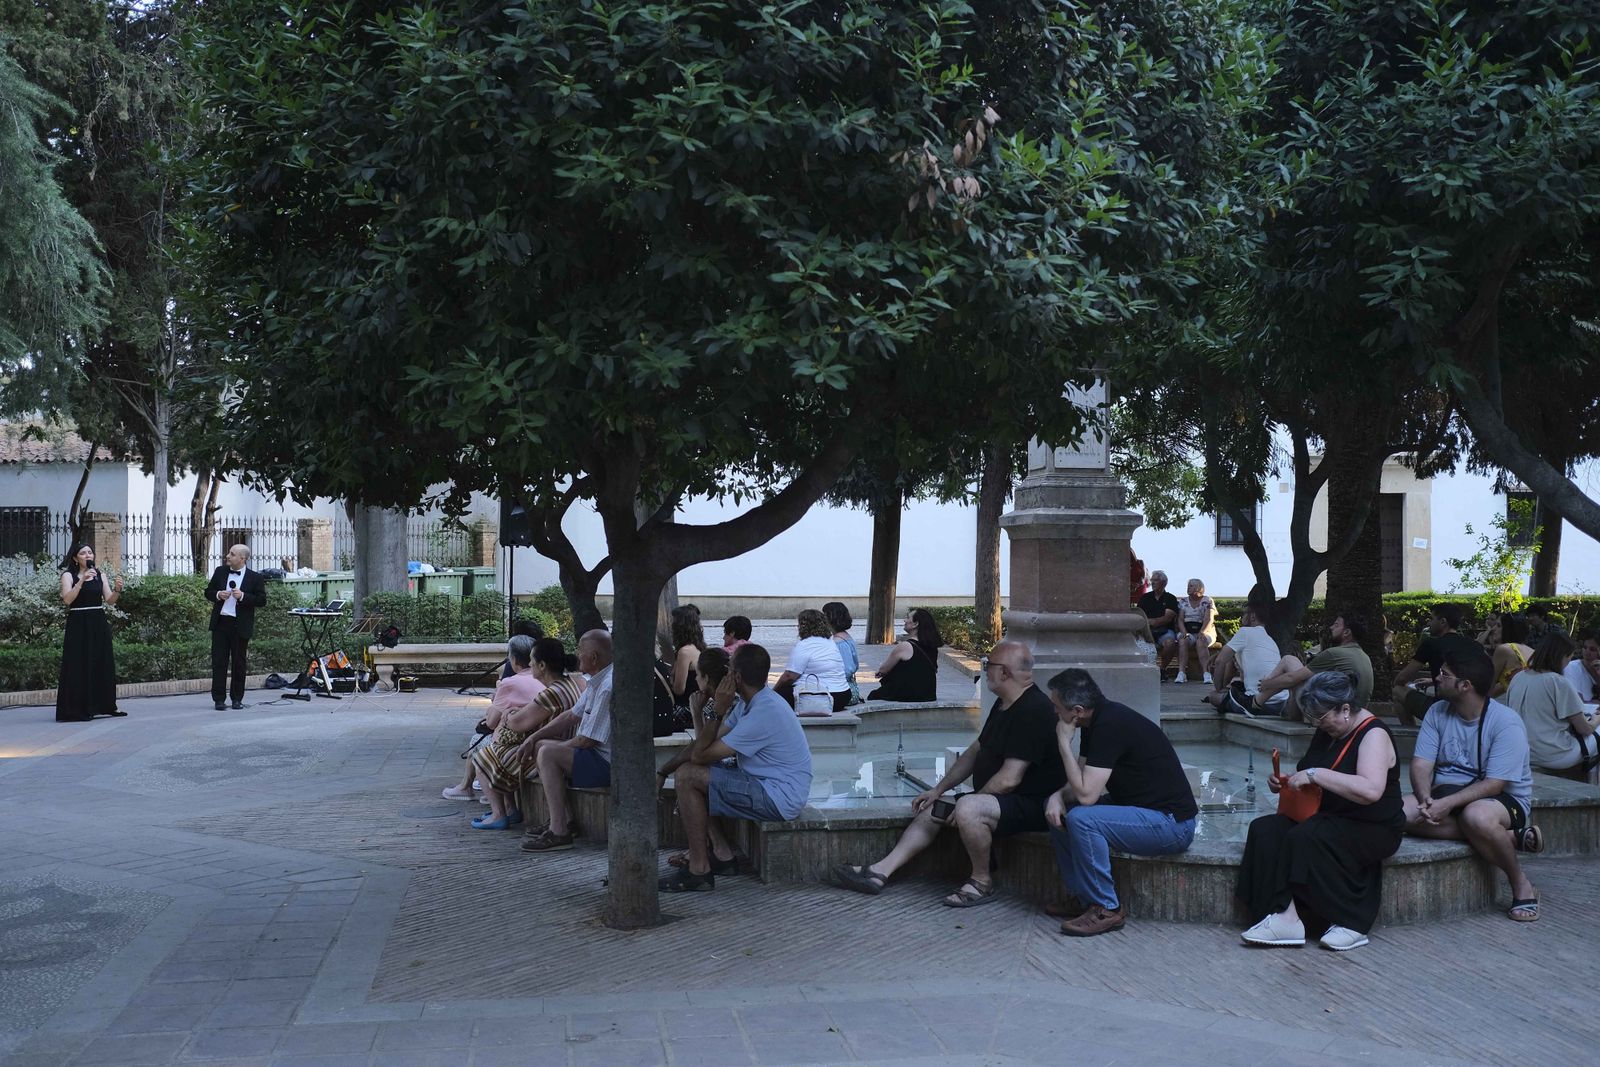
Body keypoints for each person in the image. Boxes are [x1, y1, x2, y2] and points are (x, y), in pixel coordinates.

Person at [831, 640, 1065, 907]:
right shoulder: (1005, 704)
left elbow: (1010, 779)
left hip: (1033, 805)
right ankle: (879, 872)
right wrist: (937, 790)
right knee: (933, 808)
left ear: (1005, 673)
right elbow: (975, 751)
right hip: (1001, 800)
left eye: (989, 664)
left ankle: (982, 881)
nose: (984, 669)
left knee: (968, 809)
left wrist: (969, 802)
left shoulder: (1033, 711)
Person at [1236, 672, 1403, 951]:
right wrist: (1288, 781)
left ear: (1345, 709)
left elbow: (1370, 790)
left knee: (1306, 837)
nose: (1318, 725)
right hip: (1330, 814)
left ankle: (1349, 921)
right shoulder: (1329, 730)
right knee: (1266, 830)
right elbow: (1310, 771)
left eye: (1322, 719)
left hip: (1372, 823)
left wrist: (1316, 775)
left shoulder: (1374, 734)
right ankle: (1280, 914)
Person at [1043, 668, 1197, 936]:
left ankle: (1106, 908)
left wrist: (1063, 743)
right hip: (1141, 810)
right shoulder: (1096, 721)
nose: (1055, 713)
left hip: (1171, 823)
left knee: (1082, 818)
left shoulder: (1110, 725)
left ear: (1077, 710)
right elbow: (1079, 782)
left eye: (1057, 707)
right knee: (1064, 811)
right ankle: (1084, 897)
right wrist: (1056, 796)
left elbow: (1087, 795)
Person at [660, 643, 813, 892]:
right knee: (693, 774)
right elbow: (705, 746)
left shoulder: (763, 713)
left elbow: (700, 755)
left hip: (777, 797)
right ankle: (722, 855)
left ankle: (698, 870)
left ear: (737, 677)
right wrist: (663, 770)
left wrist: (717, 711)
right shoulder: (749, 703)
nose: (726, 674)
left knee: (688, 776)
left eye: (730, 670)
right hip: (766, 786)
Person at [1404, 648, 1543, 922]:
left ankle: (1520, 883)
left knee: (1476, 816)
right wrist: (1425, 800)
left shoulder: (1505, 722)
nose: (1436, 678)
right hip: (1445, 793)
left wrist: (1445, 804)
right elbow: (1421, 765)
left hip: (1502, 799)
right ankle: (1507, 838)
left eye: (1445, 674)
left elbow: (1494, 784)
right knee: (1397, 813)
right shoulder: (1437, 711)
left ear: (1465, 685)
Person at [444, 637, 583, 804]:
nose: (530, 665)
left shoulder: (551, 692)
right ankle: (506, 807)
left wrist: (508, 714)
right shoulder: (570, 683)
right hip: (554, 745)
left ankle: (498, 813)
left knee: (482, 755)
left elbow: (514, 723)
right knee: (496, 750)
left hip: (545, 752)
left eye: (533, 661)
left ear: (542, 665)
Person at [522, 630, 614, 852]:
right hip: (597, 756)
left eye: (580, 651)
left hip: (608, 763)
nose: (576, 656)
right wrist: (535, 737)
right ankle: (564, 821)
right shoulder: (597, 680)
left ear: (593, 657)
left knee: (547, 753)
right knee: (542, 746)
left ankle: (559, 832)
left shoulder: (608, 686)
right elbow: (572, 715)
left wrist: (552, 749)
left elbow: (586, 741)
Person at [657, 648, 744, 873]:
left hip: (735, 766)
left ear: (706, 678)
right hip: (719, 759)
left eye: (698, 675)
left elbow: (702, 749)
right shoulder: (711, 703)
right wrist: (697, 714)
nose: (695, 680)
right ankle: (717, 848)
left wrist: (663, 770)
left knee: (689, 773)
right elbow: (703, 744)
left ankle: (708, 852)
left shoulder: (731, 704)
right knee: (692, 769)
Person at [1507, 632, 1596, 780]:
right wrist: (1596, 719)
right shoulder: (1558, 682)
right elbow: (1584, 729)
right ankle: (1594, 787)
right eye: (1569, 657)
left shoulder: (1518, 677)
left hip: (1521, 752)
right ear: (1562, 656)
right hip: (1554, 755)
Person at [1251, 612, 1376, 716]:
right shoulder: (1364, 657)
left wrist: (1267, 683)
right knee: (1292, 665)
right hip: (1352, 716)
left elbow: (1292, 678)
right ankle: (1260, 702)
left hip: (1329, 716)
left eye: (1336, 625)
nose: (1331, 627)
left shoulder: (1334, 653)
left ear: (1346, 632)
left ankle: (1255, 702)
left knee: (1289, 663)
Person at [56, 544, 125, 722]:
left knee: (101, 661)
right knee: (79, 663)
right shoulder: (68, 575)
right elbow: (67, 599)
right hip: (78, 623)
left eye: (90, 552)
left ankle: (104, 705)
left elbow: (110, 600)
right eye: (83, 553)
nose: (88, 555)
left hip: (98, 621)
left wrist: (117, 590)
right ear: (75, 558)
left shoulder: (100, 574)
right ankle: (78, 708)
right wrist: (81, 581)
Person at [1389, 603, 1478, 726]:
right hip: (1469, 710)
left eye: (1432, 619)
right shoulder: (1473, 645)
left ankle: (1411, 733)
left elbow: (1403, 678)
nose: (1429, 623)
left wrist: (1398, 682)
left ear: (1442, 622)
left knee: (1397, 691)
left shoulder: (1431, 644)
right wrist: (1433, 680)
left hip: (1441, 710)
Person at [204, 544, 268, 711]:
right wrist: (218, 594)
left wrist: (243, 596)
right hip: (221, 623)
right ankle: (219, 699)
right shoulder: (220, 571)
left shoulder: (255, 578)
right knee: (219, 662)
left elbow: (261, 600)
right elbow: (208, 592)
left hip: (240, 625)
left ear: (242, 558)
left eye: (232, 554)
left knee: (239, 663)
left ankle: (237, 699)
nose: (227, 556)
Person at [1204, 603, 1290, 718]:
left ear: (1252, 616)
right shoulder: (1270, 640)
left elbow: (1220, 661)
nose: (1241, 617)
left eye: (1244, 613)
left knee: (1213, 696)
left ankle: (1226, 695)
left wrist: (1218, 689)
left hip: (1259, 702)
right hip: (1281, 702)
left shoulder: (1245, 632)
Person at [774, 608, 851, 715]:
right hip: (842, 696)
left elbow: (789, 676)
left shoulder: (805, 645)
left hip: (823, 697)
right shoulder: (830, 642)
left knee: (780, 695)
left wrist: (774, 691)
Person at [868, 608, 941, 702]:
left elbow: (883, 669)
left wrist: (881, 673)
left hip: (908, 694)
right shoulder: (932, 647)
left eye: (908, 618)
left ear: (915, 624)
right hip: (928, 693)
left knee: (873, 695)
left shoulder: (905, 646)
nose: (904, 620)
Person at [1136, 571, 1180, 676]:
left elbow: (1167, 618)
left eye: (1155, 580)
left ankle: (1162, 669)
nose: (1152, 583)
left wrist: (1150, 621)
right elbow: (1139, 615)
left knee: (1170, 643)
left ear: (1164, 583)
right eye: (1152, 580)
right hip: (1147, 630)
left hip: (1164, 631)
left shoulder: (1170, 598)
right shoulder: (1145, 598)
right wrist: (1151, 622)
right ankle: (1148, 670)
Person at [1173, 578, 1215, 684]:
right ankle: (1181, 673)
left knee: (1201, 641)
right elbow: (1180, 619)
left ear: (1198, 588)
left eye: (1191, 586)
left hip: (1205, 629)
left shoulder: (1207, 600)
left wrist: (1203, 631)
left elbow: (1209, 619)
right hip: (1188, 630)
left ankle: (1206, 673)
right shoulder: (1183, 601)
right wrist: (1183, 632)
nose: (1188, 587)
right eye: (1188, 585)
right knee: (1183, 640)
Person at [823, 601, 862, 705]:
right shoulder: (845, 637)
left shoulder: (839, 642)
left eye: (824, 615)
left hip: (843, 690)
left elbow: (847, 669)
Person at [666, 604, 705, 708]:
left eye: (673, 624)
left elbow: (679, 690)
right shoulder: (699, 648)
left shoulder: (684, 652)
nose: (670, 627)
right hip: (697, 705)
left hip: (685, 708)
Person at [1489, 612, 1534, 698]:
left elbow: (1489, 687)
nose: (1493, 629)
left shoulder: (1504, 649)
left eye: (1498, 626)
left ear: (1508, 629)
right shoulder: (1531, 651)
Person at [1564, 629, 1600, 703]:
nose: (1587, 652)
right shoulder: (1572, 668)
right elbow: (1576, 703)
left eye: (1592, 649)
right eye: (1585, 647)